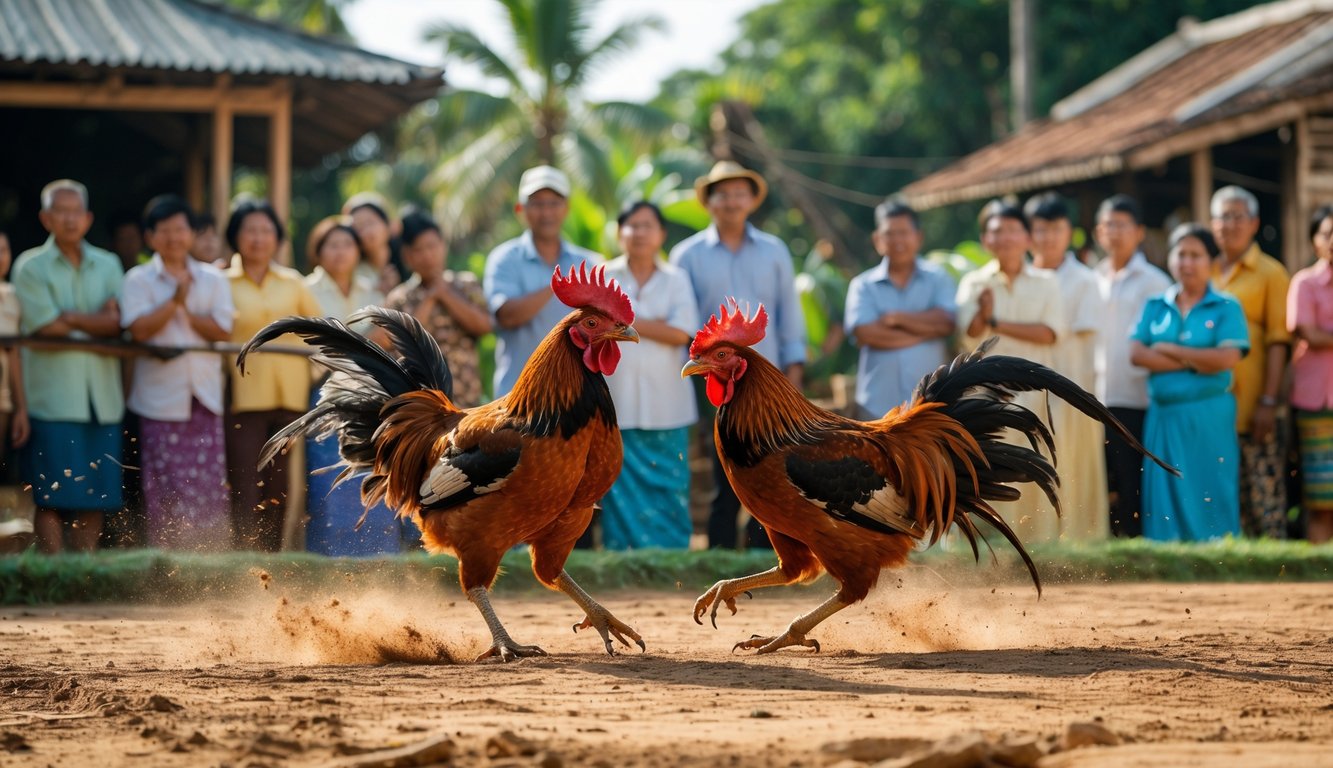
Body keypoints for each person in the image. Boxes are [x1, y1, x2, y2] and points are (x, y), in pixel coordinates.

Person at [670, 160, 806, 550]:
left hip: (767, 382)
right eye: (722, 194)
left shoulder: (774, 250)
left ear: (750, 200)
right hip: (716, 380)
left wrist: (794, 373)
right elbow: (684, 320)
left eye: (739, 193)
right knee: (723, 470)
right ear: (709, 201)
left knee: (773, 468)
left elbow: (789, 313)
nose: (731, 201)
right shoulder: (687, 255)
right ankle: (721, 552)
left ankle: (766, 552)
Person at [12, 180, 125, 553]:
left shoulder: (109, 263)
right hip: (51, 401)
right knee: (50, 495)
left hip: (103, 401)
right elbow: (45, 325)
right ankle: (55, 571)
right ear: (46, 218)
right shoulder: (30, 266)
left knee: (97, 495)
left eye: (76, 211)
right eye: (61, 211)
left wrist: (70, 318)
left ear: (88, 218)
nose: (70, 219)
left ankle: (84, 571)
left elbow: (119, 323)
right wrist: (96, 321)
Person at [120, 195, 233, 550]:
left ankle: (210, 559)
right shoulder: (138, 279)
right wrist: (174, 301)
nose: (173, 237)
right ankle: (167, 560)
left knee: (208, 485)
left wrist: (184, 309)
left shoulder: (213, 279)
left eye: (180, 229)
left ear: (192, 233)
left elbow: (223, 329)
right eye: (164, 230)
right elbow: (138, 330)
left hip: (204, 396)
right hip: (159, 399)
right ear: (150, 237)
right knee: (164, 485)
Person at [1131, 224, 1248, 541]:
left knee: (1213, 484)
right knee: (1165, 491)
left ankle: (1217, 555)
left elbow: (1227, 358)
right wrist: (1199, 359)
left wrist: (1171, 350)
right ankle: (1167, 554)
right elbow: (1137, 355)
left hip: (1210, 414)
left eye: (1196, 255)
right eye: (1181, 254)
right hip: (1164, 416)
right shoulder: (1156, 305)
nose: (1187, 262)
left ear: (1211, 260)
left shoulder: (1226, 306)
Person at [957, 200, 1064, 543]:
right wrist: (982, 315)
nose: (1004, 237)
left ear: (1027, 238)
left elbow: (1049, 333)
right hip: (984, 397)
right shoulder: (974, 282)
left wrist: (994, 320)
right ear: (985, 240)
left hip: (1034, 396)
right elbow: (968, 335)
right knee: (986, 468)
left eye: (1012, 230)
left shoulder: (1048, 281)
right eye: (996, 231)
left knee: (1034, 466)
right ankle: (990, 545)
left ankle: (1039, 543)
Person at [224, 198, 322, 551]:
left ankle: (271, 558)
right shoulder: (221, 282)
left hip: (290, 398)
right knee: (245, 480)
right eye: (250, 230)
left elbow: (320, 329)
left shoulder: (293, 282)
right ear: (235, 235)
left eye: (266, 230)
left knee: (280, 484)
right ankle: (243, 557)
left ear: (278, 238)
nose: (258, 238)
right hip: (243, 396)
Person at [302, 215, 402, 555]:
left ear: (358, 251)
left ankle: (381, 559)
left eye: (347, 244)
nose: (340, 252)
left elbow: (389, 336)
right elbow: (312, 346)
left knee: (375, 472)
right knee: (328, 478)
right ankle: (329, 561)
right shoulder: (305, 290)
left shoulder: (373, 289)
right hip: (326, 395)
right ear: (318, 251)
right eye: (332, 245)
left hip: (371, 396)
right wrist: (365, 343)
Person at [601, 201, 699, 549]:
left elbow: (681, 333)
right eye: (632, 225)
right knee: (617, 485)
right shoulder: (605, 277)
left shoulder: (676, 278)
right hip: (616, 402)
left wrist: (624, 322)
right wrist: (655, 324)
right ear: (619, 233)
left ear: (661, 234)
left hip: (668, 403)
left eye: (648, 226)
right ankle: (622, 559)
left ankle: (673, 557)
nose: (640, 233)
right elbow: (596, 328)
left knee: (670, 486)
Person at [1025, 192, 1109, 541]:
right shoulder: (1022, 279)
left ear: (1069, 232)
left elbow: (1071, 338)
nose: (1048, 237)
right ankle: (1032, 536)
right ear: (1030, 234)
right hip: (1026, 392)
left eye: (1056, 229)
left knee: (1073, 463)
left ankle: (1079, 536)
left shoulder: (1085, 280)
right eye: (1041, 229)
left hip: (1073, 388)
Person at [1209, 185, 1291, 539]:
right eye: (1223, 217)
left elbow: (1278, 341)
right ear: (1212, 224)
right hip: (1211, 409)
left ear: (1255, 223)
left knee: (1263, 498)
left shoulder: (1271, 273)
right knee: (1223, 500)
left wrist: (1269, 400)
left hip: (1254, 406)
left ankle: (1276, 566)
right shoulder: (1204, 271)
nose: (1230, 224)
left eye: (1238, 216)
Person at [484, 165, 602, 398]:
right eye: (537, 204)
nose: (546, 212)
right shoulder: (504, 259)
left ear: (566, 208)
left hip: (575, 397)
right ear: (520, 209)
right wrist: (557, 286)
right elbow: (506, 316)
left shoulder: (589, 262)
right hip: (518, 397)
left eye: (554, 203)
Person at [1093, 194, 1171, 538]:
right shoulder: (1092, 278)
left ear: (1139, 232)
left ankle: (1135, 543)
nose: (1115, 232)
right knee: (1102, 478)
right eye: (1108, 225)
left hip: (1136, 396)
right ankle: (1108, 544)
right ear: (1098, 232)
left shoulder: (1156, 282)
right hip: (1095, 395)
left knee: (1133, 479)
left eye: (1122, 225)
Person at [844, 199, 955, 420]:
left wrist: (896, 318)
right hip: (876, 409)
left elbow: (946, 323)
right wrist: (926, 331)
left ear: (919, 237)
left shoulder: (938, 278)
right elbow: (865, 333)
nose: (897, 240)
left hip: (932, 407)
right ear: (877, 239)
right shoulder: (862, 285)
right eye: (889, 234)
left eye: (903, 232)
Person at [388, 209, 492, 408]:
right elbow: (401, 343)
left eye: (432, 246)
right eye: (418, 249)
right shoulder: (400, 298)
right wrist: (430, 299)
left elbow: (484, 326)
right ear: (407, 256)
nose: (427, 255)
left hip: (467, 402)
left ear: (443, 245)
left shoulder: (465, 285)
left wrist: (446, 293)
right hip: (421, 406)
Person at [1288, 205, 1333, 544]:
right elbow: (1309, 333)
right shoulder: (1304, 282)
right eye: (1327, 234)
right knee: (1321, 500)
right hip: (1316, 402)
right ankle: (1320, 567)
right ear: (1314, 241)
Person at [0, 229, 30, 476]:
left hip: (4, 401)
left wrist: (21, 407)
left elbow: (15, 354)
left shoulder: (14, 296)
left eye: (3, 250)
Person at [342, 192, 404, 296]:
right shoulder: (351, 274)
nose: (367, 231)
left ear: (387, 224)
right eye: (359, 227)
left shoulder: (408, 259)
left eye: (371, 222)